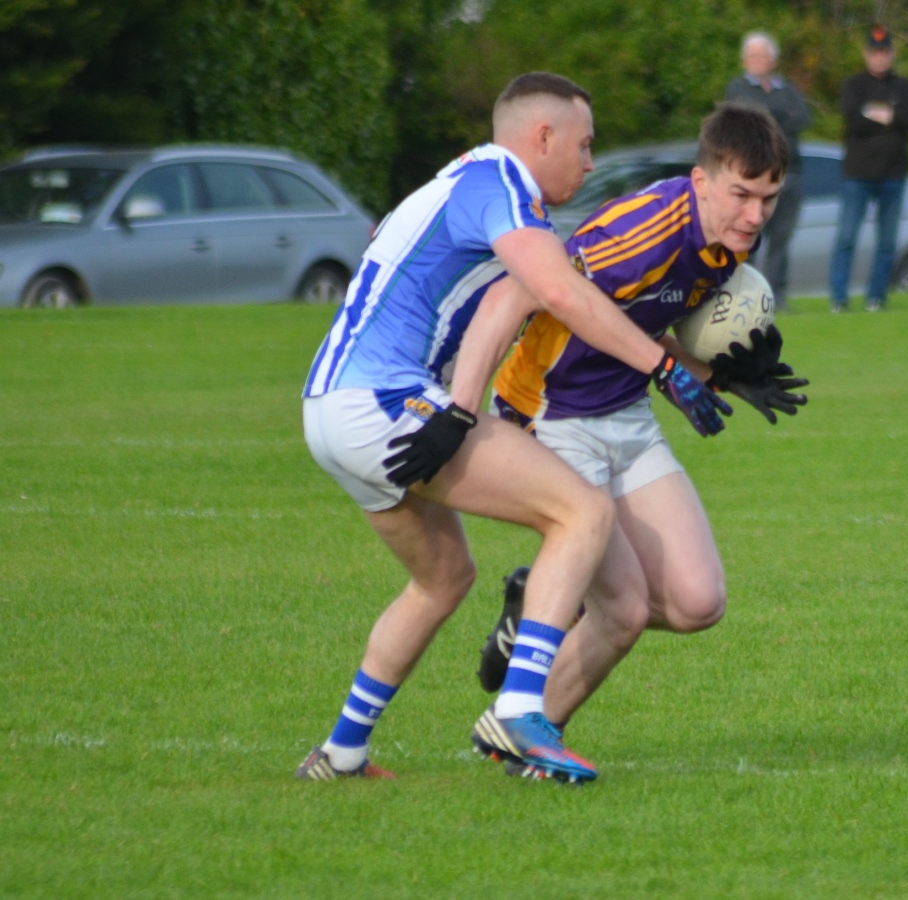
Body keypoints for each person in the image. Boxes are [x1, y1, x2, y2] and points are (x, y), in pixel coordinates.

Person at [294, 72, 732, 785]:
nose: (590, 163)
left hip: (329, 411)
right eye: (584, 145)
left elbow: (527, 298)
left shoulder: (462, 183)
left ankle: (342, 750)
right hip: (379, 401)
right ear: (543, 137)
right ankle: (521, 707)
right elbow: (561, 291)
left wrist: (705, 368)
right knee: (582, 511)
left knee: (443, 580)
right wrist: (663, 369)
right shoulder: (499, 183)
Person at [462, 103, 808, 748]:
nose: (755, 215)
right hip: (551, 413)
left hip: (625, 411)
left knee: (698, 602)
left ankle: (537, 606)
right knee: (621, 610)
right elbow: (530, 293)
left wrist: (717, 377)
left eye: (769, 197)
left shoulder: (729, 244)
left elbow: (641, 329)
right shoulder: (643, 231)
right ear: (701, 181)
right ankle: (524, 727)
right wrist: (461, 408)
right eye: (741, 194)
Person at [828, 25, 908, 313]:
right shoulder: (853, 85)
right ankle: (839, 298)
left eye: (885, 52)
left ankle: (876, 297)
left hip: (893, 175)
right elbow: (854, 121)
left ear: (891, 54)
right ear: (867, 54)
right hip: (857, 175)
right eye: (875, 52)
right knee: (846, 238)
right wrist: (888, 117)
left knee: (887, 242)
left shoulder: (903, 86)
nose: (880, 57)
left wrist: (877, 115)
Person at [724, 31, 812, 310]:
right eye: (752, 56)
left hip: (788, 175)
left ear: (773, 60)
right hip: (753, 178)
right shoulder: (737, 88)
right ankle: (744, 297)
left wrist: (766, 114)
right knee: (747, 239)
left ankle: (777, 298)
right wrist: (776, 115)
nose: (757, 61)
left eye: (763, 55)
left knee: (780, 242)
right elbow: (745, 120)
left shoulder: (787, 89)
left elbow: (803, 118)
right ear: (743, 60)